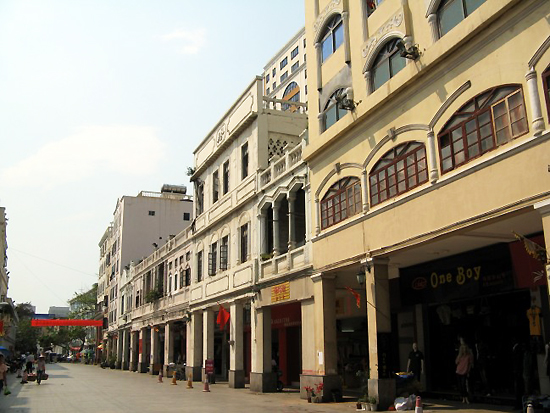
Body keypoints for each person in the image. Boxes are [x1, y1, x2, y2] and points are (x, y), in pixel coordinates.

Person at [455, 339, 474, 404]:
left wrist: (468, 371)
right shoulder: (460, 356)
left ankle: (466, 397)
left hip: (465, 371)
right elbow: (456, 362)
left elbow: (470, 364)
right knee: (460, 385)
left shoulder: (468, 356)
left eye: (465, 349)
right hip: (459, 371)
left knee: (464, 385)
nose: (464, 350)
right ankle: (463, 397)